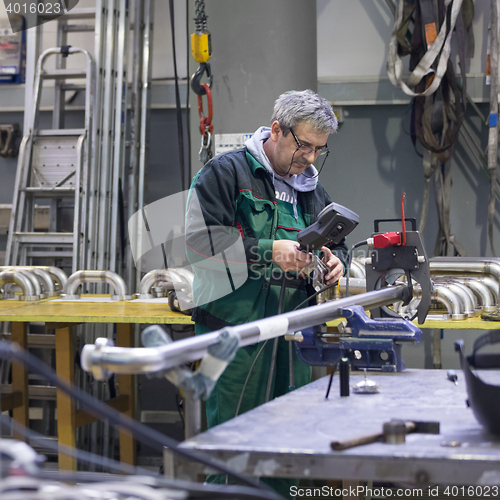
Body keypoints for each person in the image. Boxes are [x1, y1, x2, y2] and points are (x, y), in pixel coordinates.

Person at [185, 89, 348, 496]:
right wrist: (266, 251)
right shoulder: (226, 174)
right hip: (234, 337)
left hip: (291, 338)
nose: (310, 158)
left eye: (319, 150)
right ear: (277, 130)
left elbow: (335, 242)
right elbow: (197, 246)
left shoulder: (310, 189)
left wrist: (334, 263)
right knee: (233, 450)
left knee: (286, 449)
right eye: (304, 146)